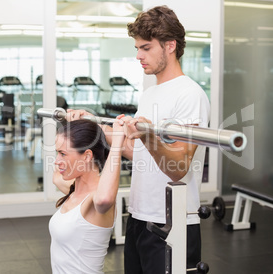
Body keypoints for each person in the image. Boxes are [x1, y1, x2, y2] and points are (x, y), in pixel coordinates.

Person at [67, 5, 211, 273]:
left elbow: (178, 169)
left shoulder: (190, 94)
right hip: (139, 217)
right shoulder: (150, 93)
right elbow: (136, 151)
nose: (138, 55)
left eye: (145, 48)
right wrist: (94, 123)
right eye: (137, 48)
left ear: (170, 46)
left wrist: (148, 136)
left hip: (172, 223)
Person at [48, 116, 126, 273]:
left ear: (87, 156)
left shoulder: (96, 199)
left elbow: (105, 198)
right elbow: (56, 178)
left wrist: (117, 141)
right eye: (57, 153)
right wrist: (74, 123)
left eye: (63, 154)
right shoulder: (74, 190)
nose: (57, 161)